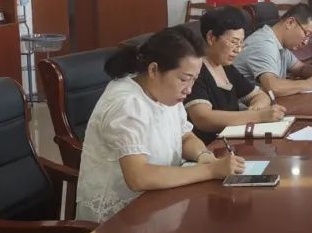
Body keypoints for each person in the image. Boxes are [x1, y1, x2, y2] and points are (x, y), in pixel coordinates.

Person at [77, 25, 246, 222]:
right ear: (154, 70)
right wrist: (210, 171)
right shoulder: (127, 104)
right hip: (119, 220)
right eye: (184, 79)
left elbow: (185, 136)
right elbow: (139, 177)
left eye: (194, 80)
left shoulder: (164, 91)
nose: (189, 89)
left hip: (160, 200)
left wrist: (204, 156)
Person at [185, 6, 288, 144]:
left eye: (241, 43)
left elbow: (260, 95)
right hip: (208, 147)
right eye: (233, 42)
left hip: (232, 142)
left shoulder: (226, 67)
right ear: (211, 38)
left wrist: (256, 107)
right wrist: (257, 116)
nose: (238, 50)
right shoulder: (196, 71)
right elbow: (203, 118)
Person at [233, 3, 312, 96]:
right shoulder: (263, 44)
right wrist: (308, 84)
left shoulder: (280, 44)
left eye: (310, 38)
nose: (306, 42)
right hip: (246, 109)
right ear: (290, 23)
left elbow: (300, 68)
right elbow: (272, 87)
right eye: (306, 34)